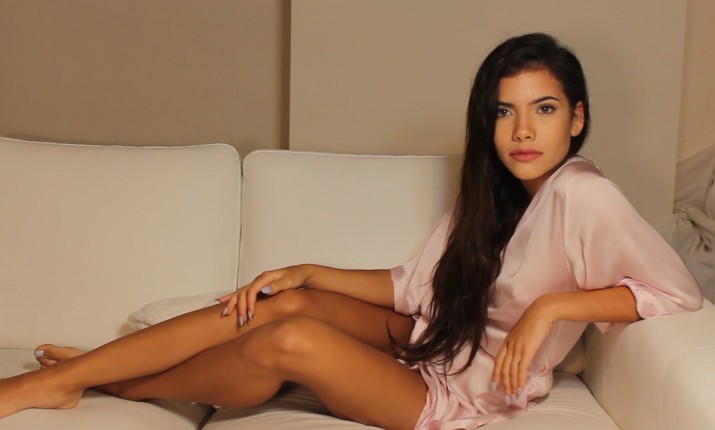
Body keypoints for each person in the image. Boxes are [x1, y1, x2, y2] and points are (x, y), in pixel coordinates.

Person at [0, 33, 703, 430]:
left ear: (576, 118)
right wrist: (310, 271)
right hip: (428, 340)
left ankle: (103, 385)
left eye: (543, 109)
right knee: (283, 302)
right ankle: (84, 373)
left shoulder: (585, 195)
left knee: (289, 340)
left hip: (458, 394)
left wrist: (552, 308)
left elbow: (676, 291)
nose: (522, 129)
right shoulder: (494, 190)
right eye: (504, 111)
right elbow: (413, 288)